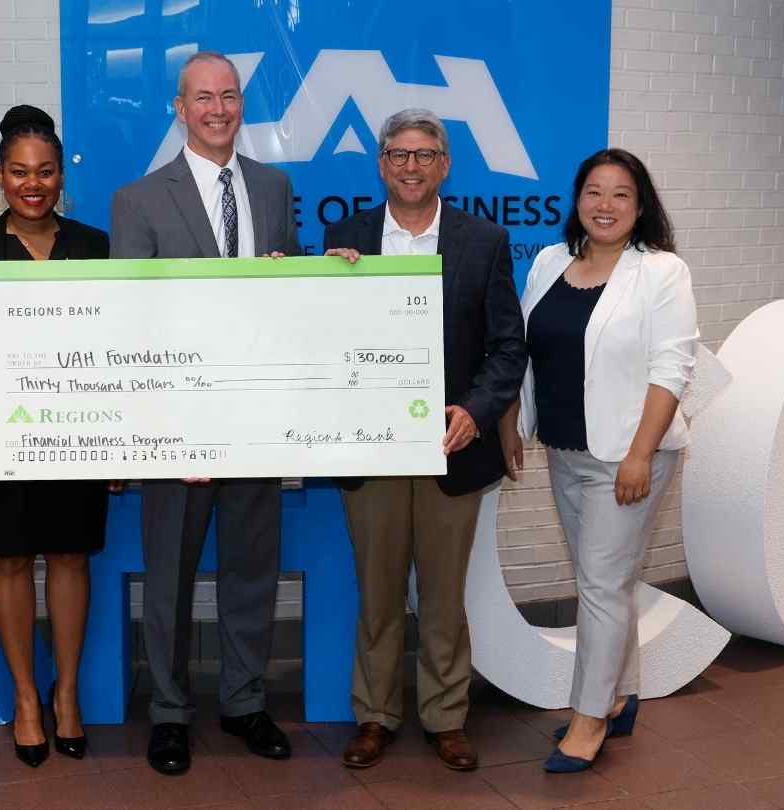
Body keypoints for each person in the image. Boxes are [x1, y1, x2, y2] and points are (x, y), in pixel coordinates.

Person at [109, 51, 324, 777]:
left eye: (229, 96)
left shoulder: (273, 187)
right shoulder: (138, 200)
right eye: (203, 97)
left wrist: (331, 277)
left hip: (256, 421)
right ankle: (169, 713)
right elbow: (132, 320)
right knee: (166, 572)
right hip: (176, 427)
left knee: (251, 570)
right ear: (179, 107)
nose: (218, 109)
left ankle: (243, 701)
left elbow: (288, 293)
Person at [322, 109, 527, 772]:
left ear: (444, 165)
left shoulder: (484, 240)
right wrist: (324, 283)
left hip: (451, 448)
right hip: (372, 447)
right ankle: (376, 716)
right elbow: (318, 339)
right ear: (380, 165)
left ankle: (445, 716)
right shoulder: (344, 237)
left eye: (425, 154)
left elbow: (507, 347)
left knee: (443, 594)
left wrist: (475, 409)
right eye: (399, 154)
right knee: (378, 594)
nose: (411, 166)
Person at [500, 148, 697, 773]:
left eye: (620, 195)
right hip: (564, 449)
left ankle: (588, 721)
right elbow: (524, 352)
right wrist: (512, 424)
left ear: (641, 207)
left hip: (627, 456)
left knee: (601, 585)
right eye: (593, 192)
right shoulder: (551, 261)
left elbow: (672, 368)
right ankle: (621, 692)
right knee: (609, 583)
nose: (604, 206)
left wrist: (640, 455)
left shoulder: (661, 272)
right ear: (577, 199)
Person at [0, 105, 112, 768]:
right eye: (19, 172)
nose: (32, 184)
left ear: (61, 175)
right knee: (10, 563)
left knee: (70, 558)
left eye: (44, 172)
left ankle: (66, 696)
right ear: (1, 175)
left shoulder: (94, 245)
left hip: (78, 439)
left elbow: (116, 344)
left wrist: (118, 441)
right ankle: (26, 701)